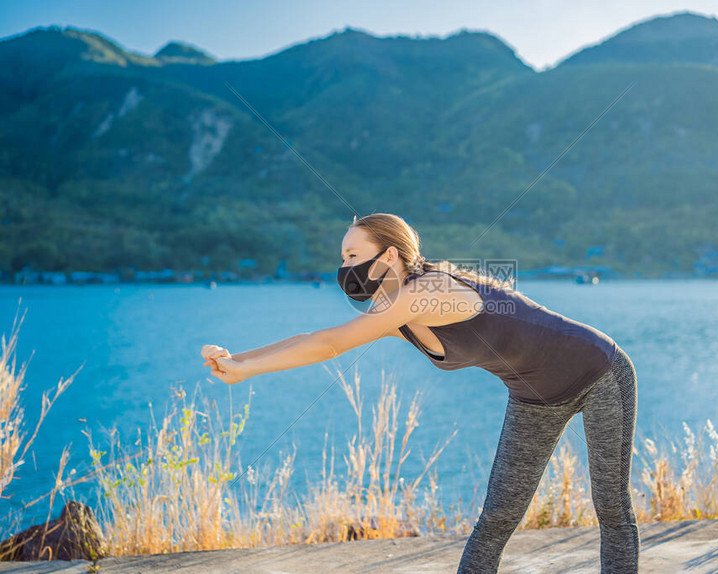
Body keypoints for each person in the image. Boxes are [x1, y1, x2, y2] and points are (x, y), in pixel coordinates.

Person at [201, 212, 639, 573]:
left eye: (353, 254)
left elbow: (330, 345)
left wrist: (248, 370)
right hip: (533, 397)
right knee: (499, 514)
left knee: (610, 505)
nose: (344, 266)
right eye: (342, 256)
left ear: (389, 255)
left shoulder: (424, 292)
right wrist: (240, 359)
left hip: (599, 371)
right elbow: (316, 336)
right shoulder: (393, 312)